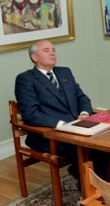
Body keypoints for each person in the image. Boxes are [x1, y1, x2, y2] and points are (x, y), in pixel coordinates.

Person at [15, 40, 105, 180]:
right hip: (50, 134)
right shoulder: (25, 79)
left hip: (78, 127)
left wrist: (84, 113)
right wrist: (62, 125)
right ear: (34, 57)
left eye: (53, 50)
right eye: (46, 50)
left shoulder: (65, 72)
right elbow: (31, 114)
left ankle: (104, 184)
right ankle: (88, 189)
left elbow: (82, 97)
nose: (52, 53)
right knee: (91, 150)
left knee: (106, 145)